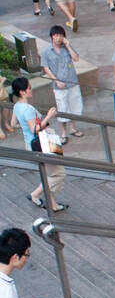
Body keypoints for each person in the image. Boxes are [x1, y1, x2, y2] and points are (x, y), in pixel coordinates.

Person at [8, 78, 65, 212]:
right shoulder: (27, 109)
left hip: (31, 144)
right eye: (28, 88)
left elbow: (12, 124)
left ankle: (51, 203)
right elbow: (35, 129)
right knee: (58, 174)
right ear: (22, 92)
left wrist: (25, 127)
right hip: (41, 144)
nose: (31, 89)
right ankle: (36, 195)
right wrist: (49, 116)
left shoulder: (17, 106)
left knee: (50, 173)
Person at [41, 27, 83, 141]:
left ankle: (72, 128)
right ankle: (63, 132)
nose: (58, 38)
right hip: (59, 86)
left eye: (61, 35)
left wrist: (68, 46)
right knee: (62, 107)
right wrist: (56, 80)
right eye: (56, 35)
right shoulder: (46, 52)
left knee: (75, 105)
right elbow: (46, 68)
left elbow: (76, 58)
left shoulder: (66, 48)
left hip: (72, 82)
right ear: (52, 36)